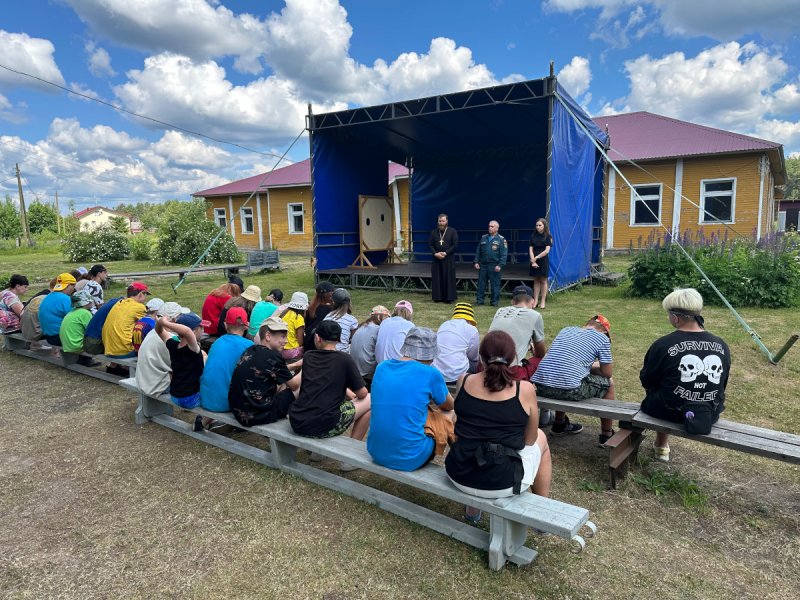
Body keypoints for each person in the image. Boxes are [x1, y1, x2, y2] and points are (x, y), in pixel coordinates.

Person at [445, 331, 552, 522]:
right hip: (502, 482)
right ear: (514, 359)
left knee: (474, 442)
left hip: (458, 473)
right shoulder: (524, 389)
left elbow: (458, 424)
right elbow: (529, 440)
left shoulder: (464, 380)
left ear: (481, 358)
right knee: (541, 438)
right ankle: (541, 515)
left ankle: (472, 512)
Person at [640, 288, 731, 462]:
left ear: (674, 317)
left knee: (661, 391)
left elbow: (647, 379)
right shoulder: (721, 345)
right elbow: (722, 382)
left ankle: (661, 446)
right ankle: (661, 446)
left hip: (667, 412)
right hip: (709, 413)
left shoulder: (663, 344)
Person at [368, 327, 454, 471]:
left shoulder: (382, 367)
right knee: (450, 415)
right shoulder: (431, 374)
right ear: (431, 354)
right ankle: (460, 463)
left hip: (376, 451)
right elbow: (449, 405)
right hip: (411, 457)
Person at [288, 320, 371, 468]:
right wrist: (353, 395)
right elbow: (363, 393)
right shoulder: (344, 359)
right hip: (324, 425)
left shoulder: (308, 357)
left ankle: (318, 452)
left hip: (298, 421)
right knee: (371, 399)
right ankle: (349, 459)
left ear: (318, 338)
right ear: (338, 340)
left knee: (325, 405)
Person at [532, 315, 616, 444]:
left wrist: (584, 366)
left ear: (587, 325)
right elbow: (607, 372)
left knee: (565, 377)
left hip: (541, 386)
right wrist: (592, 367)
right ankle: (607, 435)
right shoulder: (602, 338)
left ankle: (559, 424)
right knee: (609, 384)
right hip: (569, 390)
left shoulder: (566, 330)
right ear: (605, 332)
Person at [228, 316, 302, 427]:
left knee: (282, 381)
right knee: (300, 387)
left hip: (238, 410)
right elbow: (295, 385)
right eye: (282, 337)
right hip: (257, 415)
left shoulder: (251, 350)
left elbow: (277, 371)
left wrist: (296, 365)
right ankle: (303, 419)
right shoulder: (274, 357)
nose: (286, 341)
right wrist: (306, 367)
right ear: (268, 336)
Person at [200, 307, 254, 415]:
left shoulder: (217, 342)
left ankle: (206, 420)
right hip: (226, 403)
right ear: (246, 325)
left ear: (225, 325)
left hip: (206, 398)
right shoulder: (249, 346)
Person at [489, 285, 546, 381]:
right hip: (511, 372)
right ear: (532, 302)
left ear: (513, 302)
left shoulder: (500, 311)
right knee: (541, 360)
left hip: (487, 367)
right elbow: (540, 353)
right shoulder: (535, 315)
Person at [135, 301, 190, 398]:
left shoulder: (152, 332)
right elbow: (181, 366)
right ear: (174, 320)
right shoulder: (170, 339)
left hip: (144, 381)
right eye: (180, 316)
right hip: (157, 386)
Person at [156, 312, 210, 409]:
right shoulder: (193, 348)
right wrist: (166, 323)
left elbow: (159, 331)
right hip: (190, 399)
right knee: (215, 396)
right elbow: (187, 331)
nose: (203, 330)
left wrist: (161, 322)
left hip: (175, 395)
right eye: (201, 327)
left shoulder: (172, 344)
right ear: (193, 332)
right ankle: (204, 422)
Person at [433, 302, 479, 385]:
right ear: (469, 319)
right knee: (476, 364)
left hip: (436, 373)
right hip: (456, 376)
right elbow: (473, 356)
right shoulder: (472, 329)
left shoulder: (444, 325)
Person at [102, 282, 150, 359]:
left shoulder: (119, 303)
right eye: (145, 294)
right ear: (141, 293)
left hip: (109, 349)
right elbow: (149, 325)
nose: (146, 297)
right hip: (124, 351)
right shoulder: (139, 307)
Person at [350, 305, 390, 388]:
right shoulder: (378, 329)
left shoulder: (361, 327)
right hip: (367, 372)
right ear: (381, 317)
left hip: (355, 369)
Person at [58, 289, 97, 364]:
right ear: (86, 302)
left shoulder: (72, 311)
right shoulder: (85, 313)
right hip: (76, 346)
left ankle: (84, 359)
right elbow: (91, 330)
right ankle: (86, 360)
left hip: (67, 345)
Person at [473, 220, 507, 307]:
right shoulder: (484, 238)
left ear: (497, 228)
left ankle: (494, 302)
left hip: (494, 265)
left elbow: (504, 254)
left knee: (495, 284)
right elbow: (478, 251)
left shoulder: (501, 239)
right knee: (481, 283)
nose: (490, 228)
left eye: (492, 226)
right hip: (483, 264)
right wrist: (476, 261)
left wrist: (500, 265)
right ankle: (480, 301)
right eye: (489, 226)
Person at [38, 273, 77, 347]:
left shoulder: (49, 296)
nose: (74, 289)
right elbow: (75, 318)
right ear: (68, 286)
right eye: (73, 286)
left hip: (48, 336)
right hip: (59, 337)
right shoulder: (65, 299)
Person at [428, 214, 458, 303]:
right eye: (440, 221)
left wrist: (446, 253)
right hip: (436, 259)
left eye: (443, 221)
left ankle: (449, 298)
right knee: (437, 278)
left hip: (448, 259)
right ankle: (437, 297)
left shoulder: (452, 231)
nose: (441, 223)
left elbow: (455, 245)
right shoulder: (433, 232)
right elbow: (430, 245)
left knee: (448, 278)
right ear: (438, 221)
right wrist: (435, 253)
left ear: (447, 221)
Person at [323, 288, 358, 352]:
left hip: (328, 351)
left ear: (333, 302)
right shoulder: (352, 320)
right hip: (344, 354)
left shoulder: (327, 317)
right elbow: (354, 340)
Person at [303, 281, 335, 351]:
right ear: (329, 295)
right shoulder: (329, 310)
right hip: (319, 345)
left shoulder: (311, 308)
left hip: (308, 342)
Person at [529, 218, 553, 309]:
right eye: (537, 225)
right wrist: (532, 260)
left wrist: (536, 258)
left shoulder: (548, 236)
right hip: (534, 259)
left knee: (543, 280)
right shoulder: (533, 235)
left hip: (543, 259)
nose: (538, 227)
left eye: (540, 225)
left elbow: (547, 251)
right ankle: (535, 301)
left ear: (544, 226)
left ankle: (543, 301)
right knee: (536, 280)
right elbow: (530, 248)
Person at [278, 291, 308, 361]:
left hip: (279, 348)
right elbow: (300, 341)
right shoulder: (298, 317)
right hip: (290, 351)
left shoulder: (284, 313)